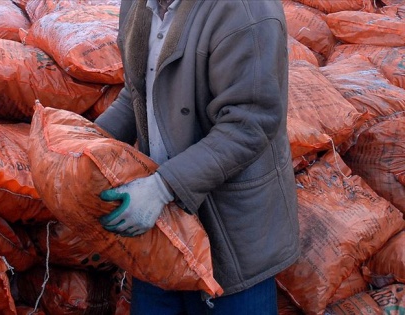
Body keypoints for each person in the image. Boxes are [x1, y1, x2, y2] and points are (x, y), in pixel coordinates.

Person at [94, 0, 300, 314]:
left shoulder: (246, 10)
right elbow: (138, 91)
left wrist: (161, 188)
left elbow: (249, 122)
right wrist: (86, 147)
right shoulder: (139, 5)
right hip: (162, 232)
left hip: (230, 237)